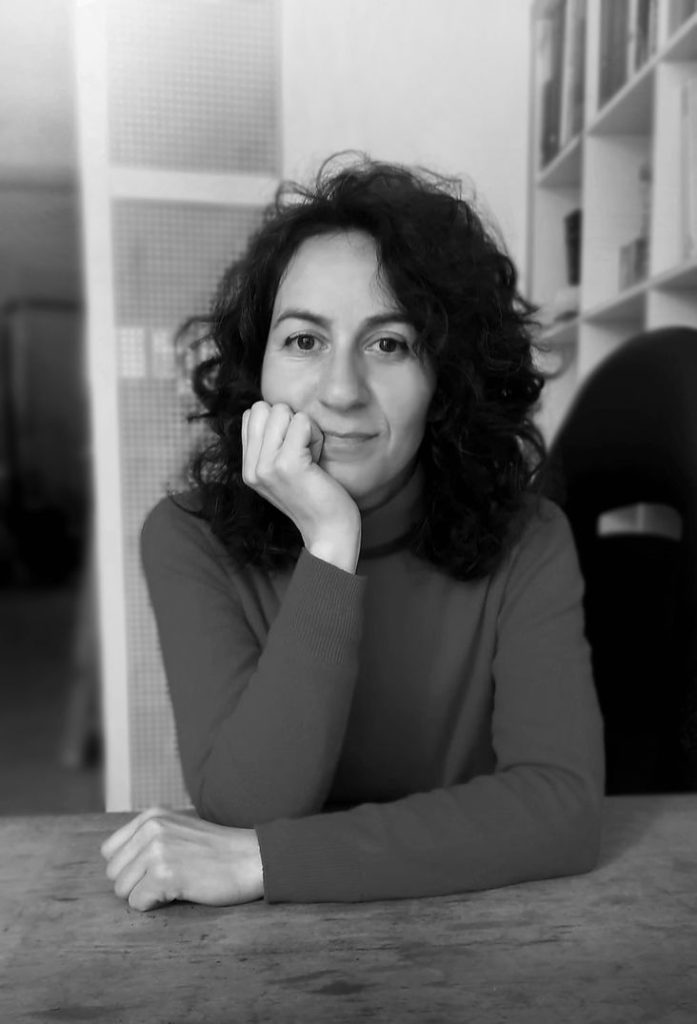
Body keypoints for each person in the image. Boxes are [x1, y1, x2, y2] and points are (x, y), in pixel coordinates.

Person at [101, 155, 604, 912]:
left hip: (480, 926)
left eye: (389, 343)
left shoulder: (529, 539)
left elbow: (561, 809)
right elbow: (246, 806)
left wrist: (269, 862)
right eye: (304, 341)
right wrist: (331, 545)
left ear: (447, 377)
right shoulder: (186, 538)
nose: (340, 391)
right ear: (258, 368)